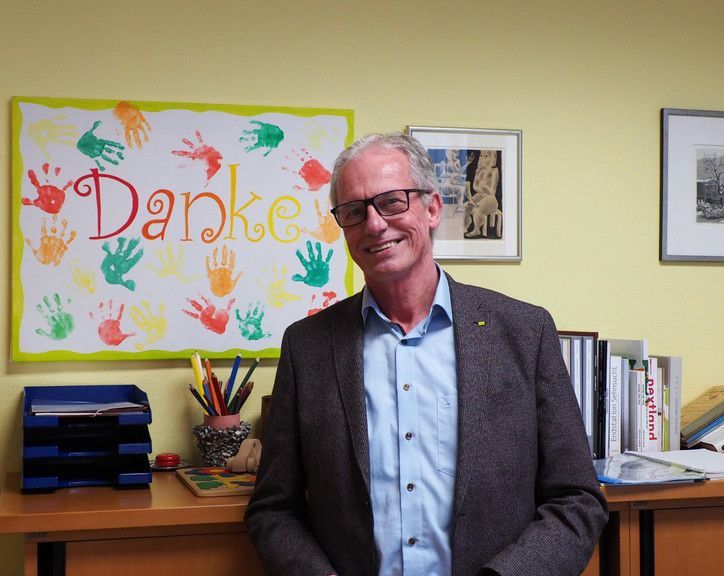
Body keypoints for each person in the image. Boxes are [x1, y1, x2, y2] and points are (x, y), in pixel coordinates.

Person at [245, 133, 607, 576]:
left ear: (432, 208)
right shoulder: (308, 347)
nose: (374, 224)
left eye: (392, 202)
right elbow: (273, 509)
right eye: (354, 211)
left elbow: (576, 500)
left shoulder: (523, 333)